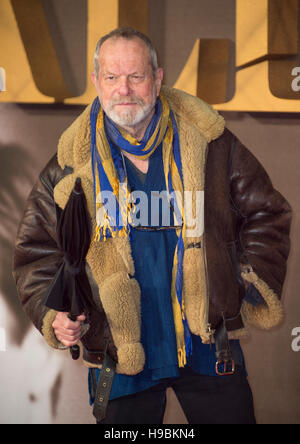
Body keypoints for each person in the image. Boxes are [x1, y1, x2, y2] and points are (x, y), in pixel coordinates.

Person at [13, 27, 292, 425]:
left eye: (136, 76)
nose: (123, 89)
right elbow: (35, 251)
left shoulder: (211, 143)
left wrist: (245, 276)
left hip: (210, 346)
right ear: (96, 82)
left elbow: (269, 212)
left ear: (158, 79)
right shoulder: (70, 165)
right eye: (111, 77)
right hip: (120, 353)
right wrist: (51, 312)